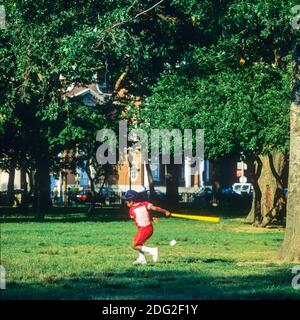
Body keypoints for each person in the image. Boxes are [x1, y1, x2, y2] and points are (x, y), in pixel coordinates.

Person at [122, 190, 171, 265]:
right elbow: (154, 209)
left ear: (132, 201)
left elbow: (138, 217)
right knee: (139, 243)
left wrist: (165, 212)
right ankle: (142, 259)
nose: (126, 204)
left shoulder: (131, 210)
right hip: (149, 228)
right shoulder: (145, 204)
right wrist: (165, 211)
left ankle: (152, 251)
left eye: (127, 202)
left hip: (143, 230)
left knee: (134, 245)